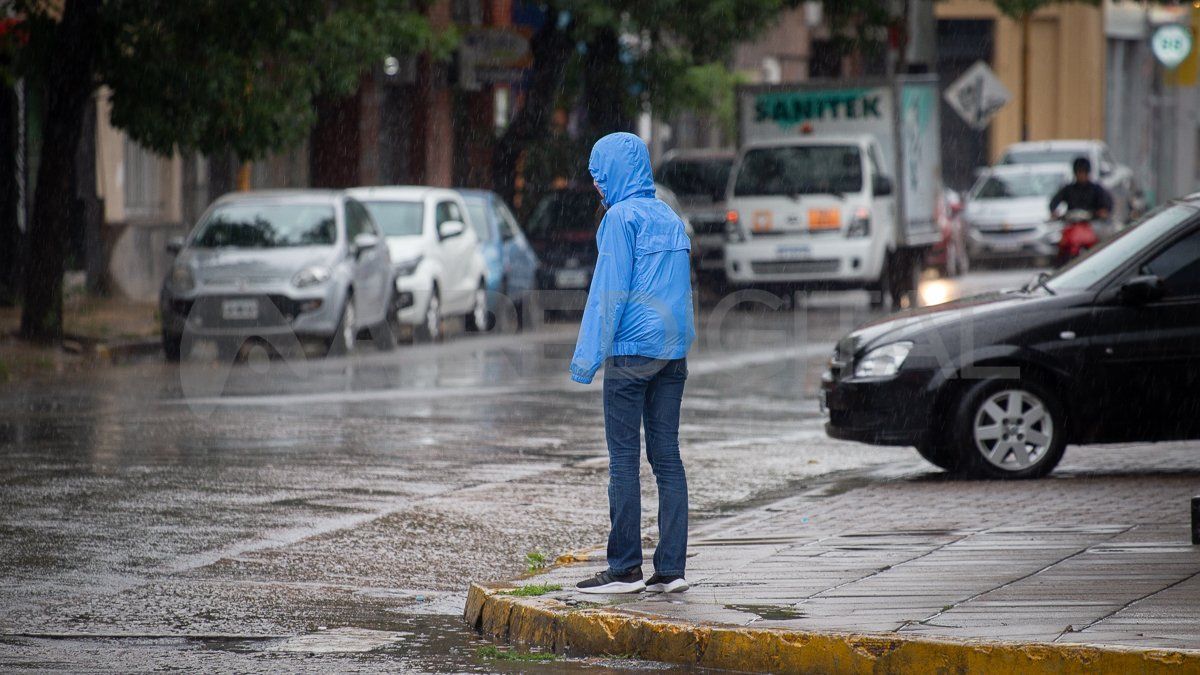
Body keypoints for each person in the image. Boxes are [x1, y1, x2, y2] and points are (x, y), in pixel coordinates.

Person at [570, 132, 696, 595]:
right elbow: (682, 290)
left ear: (615, 174)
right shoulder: (669, 216)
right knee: (667, 458)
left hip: (630, 354)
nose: (599, 187)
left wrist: (586, 360)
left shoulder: (620, 219)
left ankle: (624, 569)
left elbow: (608, 294)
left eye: (601, 176)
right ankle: (672, 569)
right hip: (672, 353)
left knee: (623, 461)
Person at [1049, 156, 1113, 219]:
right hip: (1072, 223)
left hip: (1092, 223)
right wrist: (1054, 212)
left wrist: (1103, 212)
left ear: (1088, 173)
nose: (1081, 176)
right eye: (1079, 172)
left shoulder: (1096, 189)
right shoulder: (1068, 189)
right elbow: (1054, 202)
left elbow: (1108, 203)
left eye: (1083, 172)